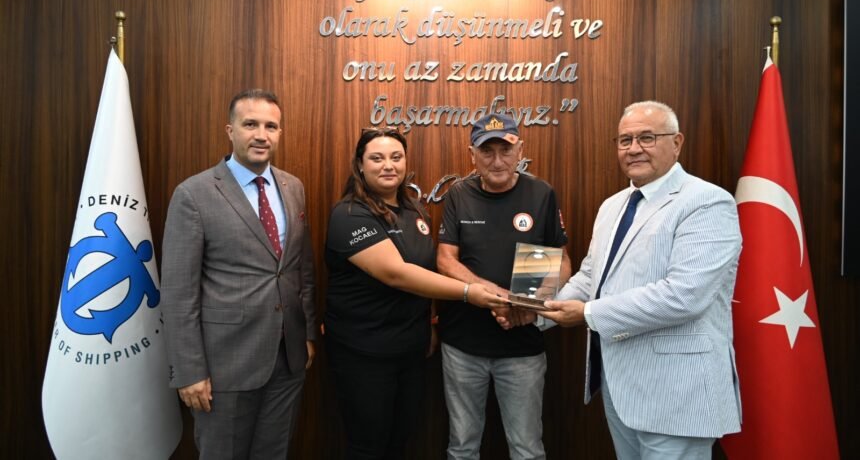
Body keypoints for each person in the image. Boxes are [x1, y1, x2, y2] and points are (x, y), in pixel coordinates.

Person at [540, 101, 742, 459]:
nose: (633, 149)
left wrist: (587, 314)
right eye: (625, 140)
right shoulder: (612, 206)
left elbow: (684, 296)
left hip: (678, 394)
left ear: (676, 142)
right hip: (621, 388)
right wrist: (535, 311)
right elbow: (591, 276)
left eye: (647, 138)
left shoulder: (707, 202)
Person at [324, 126, 507, 460]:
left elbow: (426, 269)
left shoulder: (414, 210)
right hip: (364, 352)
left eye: (396, 157)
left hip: (410, 348)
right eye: (377, 158)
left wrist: (430, 322)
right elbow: (397, 274)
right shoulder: (349, 214)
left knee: (400, 439)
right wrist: (470, 292)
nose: (388, 165)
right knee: (368, 445)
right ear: (360, 165)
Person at [161, 89, 316, 459]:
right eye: (250, 124)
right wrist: (189, 370)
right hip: (223, 365)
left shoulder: (293, 187)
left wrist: (308, 333)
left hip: (287, 358)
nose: (261, 135)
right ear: (230, 131)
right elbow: (178, 293)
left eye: (271, 126)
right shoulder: (194, 194)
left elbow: (301, 270)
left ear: (279, 133)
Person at [436, 113, 571, 460]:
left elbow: (561, 261)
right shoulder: (458, 194)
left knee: (527, 449)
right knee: (462, 447)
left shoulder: (541, 193)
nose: (497, 161)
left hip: (522, 346)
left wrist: (526, 306)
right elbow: (446, 261)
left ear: (520, 150)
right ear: (472, 155)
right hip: (463, 345)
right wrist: (496, 296)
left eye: (505, 150)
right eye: (487, 151)